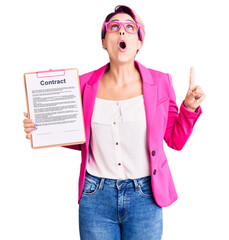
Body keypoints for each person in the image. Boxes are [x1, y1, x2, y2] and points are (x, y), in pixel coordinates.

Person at [23, 5, 206, 240]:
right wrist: (41, 128)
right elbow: (80, 138)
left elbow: (175, 140)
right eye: (114, 27)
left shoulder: (160, 82)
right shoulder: (82, 85)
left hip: (146, 197)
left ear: (139, 42)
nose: (122, 32)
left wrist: (189, 108)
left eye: (130, 27)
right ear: (103, 40)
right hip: (95, 197)